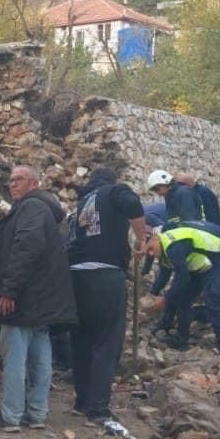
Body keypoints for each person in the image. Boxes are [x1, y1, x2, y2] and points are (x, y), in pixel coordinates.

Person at [0, 165, 75, 431]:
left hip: (22, 301)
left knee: (15, 358)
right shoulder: (44, 211)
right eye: (10, 179)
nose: (12, 184)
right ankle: (37, 414)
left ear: (34, 183)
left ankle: (11, 416)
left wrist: (9, 290)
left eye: (18, 179)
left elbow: (25, 248)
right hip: (41, 301)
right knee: (41, 358)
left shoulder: (31, 208)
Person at [67, 165, 147, 424]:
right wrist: (141, 239)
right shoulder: (114, 191)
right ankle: (98, 408)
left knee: (82, 341)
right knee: (106, 342)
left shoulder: (80, 205)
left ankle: (82, 400)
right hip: (106, 276)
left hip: (76, 276)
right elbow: (133, 203)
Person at [146, 220, 220, 355]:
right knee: (183, 298)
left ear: (156, 238)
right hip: (200, 260)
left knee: (213, 297)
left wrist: (165, 299)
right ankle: (181, 340)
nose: (150, 254)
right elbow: (164, 274)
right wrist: (152, 294)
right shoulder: (162, 248)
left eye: (150, 249)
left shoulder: (173, 246)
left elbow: (182, 278)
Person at [146, 169, 220, 226]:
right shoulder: (171, 196)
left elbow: (189, 222)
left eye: (157, 189)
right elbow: (175, 220)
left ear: (165, 182)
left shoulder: (183, 194)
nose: (158, 193)